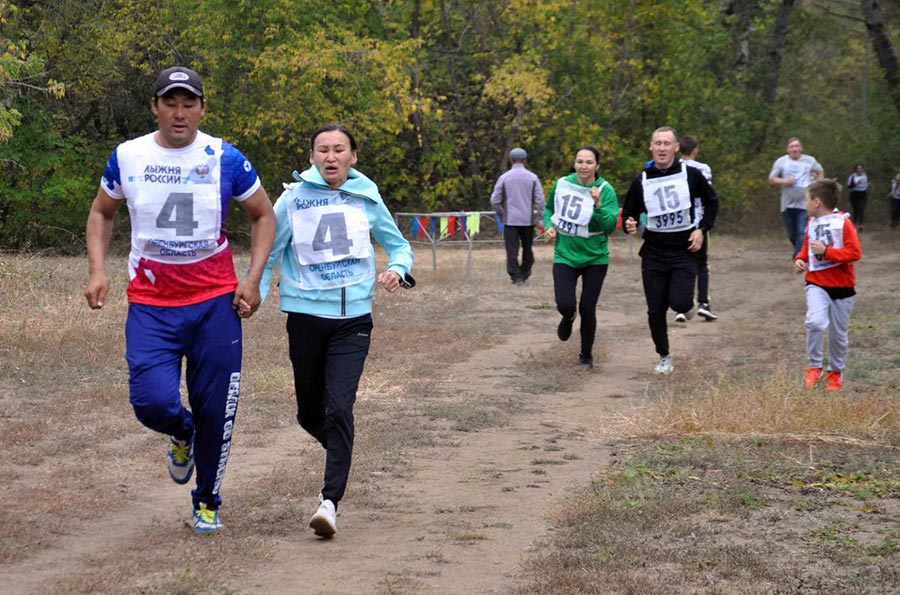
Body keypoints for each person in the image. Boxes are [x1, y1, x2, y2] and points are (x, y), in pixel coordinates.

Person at [84, 66, 276, 533]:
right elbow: (100, 211)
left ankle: (207, 500)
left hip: (214, 304)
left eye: (189, 103)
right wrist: (97, 269)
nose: (179, 113)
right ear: (154, 107)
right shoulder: (127, 156)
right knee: (151, 403)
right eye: (170, 102)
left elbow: (264, 216)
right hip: (151, 303)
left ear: (203, 108)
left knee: (216, 408)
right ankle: (180, 430)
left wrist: (251, 279)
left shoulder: (225, 158)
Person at [259, 123, 415, 538]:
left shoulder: (367, 196)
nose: (331, 156)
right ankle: (340, 451)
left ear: (353, 156)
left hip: (353, 321)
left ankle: (329, 502)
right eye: (322, 149)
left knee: (339, 407)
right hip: (306, 319)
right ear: (312, 156)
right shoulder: (292, 199)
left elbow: (398, 245)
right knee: (309, 413)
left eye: (339, 149)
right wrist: (253, 293)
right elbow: (270, 251)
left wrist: (397, 269)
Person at [621, 127, 719, 375]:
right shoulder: (642, 179)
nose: (662, 148)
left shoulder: (691, 174)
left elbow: (712, 202)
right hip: (653, 251)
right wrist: (630, 224)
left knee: (681, 302)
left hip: (683, 249)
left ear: (676, 147)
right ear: (651, 147)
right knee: (655, 310)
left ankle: (686, 303)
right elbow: (629, 213)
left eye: (667, 144)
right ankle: (664, 356)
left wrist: (702, 229)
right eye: (658, 144)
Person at [543, 145, 618, 368]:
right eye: (579, 161)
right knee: (565, 304)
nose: (583, 166)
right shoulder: (562, 183)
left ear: (597, 165)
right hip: (565, 254)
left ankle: (586, 355)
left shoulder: (606, 190)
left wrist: (597, 205)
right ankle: (567, 316)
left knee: (587, 307)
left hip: (595, 257)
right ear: (574, 163)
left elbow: (610, 226)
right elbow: (549, 209)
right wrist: (550, 226)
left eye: (588, 162)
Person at [793, 179, 861, 392]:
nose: (804, 205)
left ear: (817, 202)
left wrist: (827, 252)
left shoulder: (843, 223)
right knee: (814, 322)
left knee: (838, 334)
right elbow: (806, 245)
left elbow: (854, 253)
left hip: (842, 286)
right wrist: (800, 259)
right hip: (816, 283)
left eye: (806, 200)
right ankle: (814, 366)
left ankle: (835, 372)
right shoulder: (811, 223)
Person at [675, 135, 717, 322]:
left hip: (678, 222)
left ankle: (682, 308)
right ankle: (703, 303)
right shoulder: (703, 169)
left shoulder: (673, 168)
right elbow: (708, 194)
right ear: (695, 150)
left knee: (681, 262)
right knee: (701, 263)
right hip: (698, 221)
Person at [490, 147, 545, 284]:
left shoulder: (504, 177)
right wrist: (541, 217)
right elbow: (540, 200)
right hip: (527, 220)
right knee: (528, 248)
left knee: (512, 250)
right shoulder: (533, 177)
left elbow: (495, 200)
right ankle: (525, 271)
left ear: (510, 160)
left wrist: (502, 213)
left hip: (510, 220)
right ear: (525, 160)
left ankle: (516, 276)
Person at [768, 138, 824, 258]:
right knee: (792, 234)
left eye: (796, 146)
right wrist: (785, 180)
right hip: (787, 204)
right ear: (788, 149)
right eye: (792, 147)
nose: (794, 149)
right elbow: (772, 179)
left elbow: (820, 171)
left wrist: (818, 185)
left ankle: (798, 257)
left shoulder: (809, 160)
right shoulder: (781, 162)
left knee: (801, 231)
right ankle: (800, 248)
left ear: (801, 148)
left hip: (805, 203)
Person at [846, 163, 869, 231]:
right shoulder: (852, 176)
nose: (859, 170)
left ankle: (861, 225)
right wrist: (855, 184)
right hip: (855, 193)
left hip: (863, 193)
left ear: (863, 169)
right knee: (855, 209)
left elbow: (866, 183)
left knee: (861, 208)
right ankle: (855, 224)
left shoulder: (865, 176)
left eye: (861, 168)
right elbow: (849, 186)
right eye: (858, 168)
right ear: (856, 169)